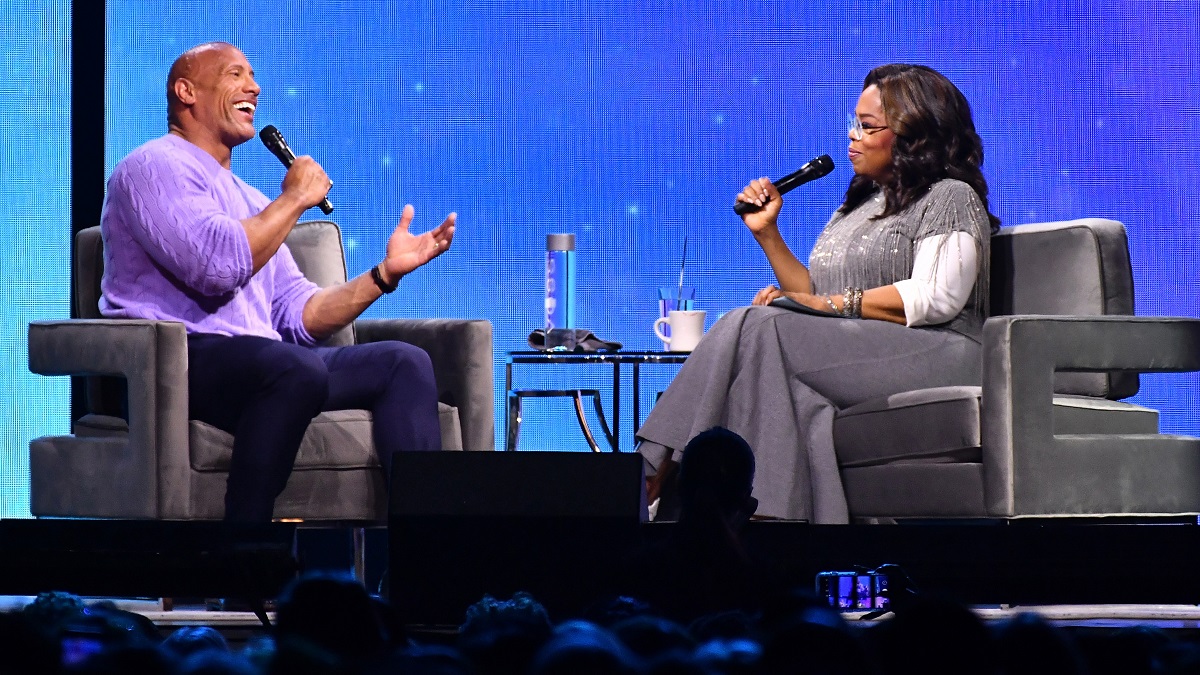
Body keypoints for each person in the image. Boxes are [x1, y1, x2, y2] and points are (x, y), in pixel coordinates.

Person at [99, 42, 456, 522]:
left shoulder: (251, 198)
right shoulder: (152, 167)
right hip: (177, 363)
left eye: (253, 75)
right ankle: (243, 549)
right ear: (186, 92)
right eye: (234, 74)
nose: (254, 87)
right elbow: (215, 266)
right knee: (294, 368)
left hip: (262, 362)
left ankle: (423, 556)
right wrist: (293, 199)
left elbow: (301, 315)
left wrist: (383, 275)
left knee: (403, 362)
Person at [637, 64, 998, 523]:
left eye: (866, 127)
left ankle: (656, 467)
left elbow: (937, 298)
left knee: (757, 326)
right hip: (864, 346)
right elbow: (813, 297)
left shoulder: (950, 196)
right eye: (854, 123)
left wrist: (824, 305)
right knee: (771, 364)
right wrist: (768, 235)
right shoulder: (859, 207)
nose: (852, 136)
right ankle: (769, 527)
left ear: (915, 135)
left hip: (943, 350)